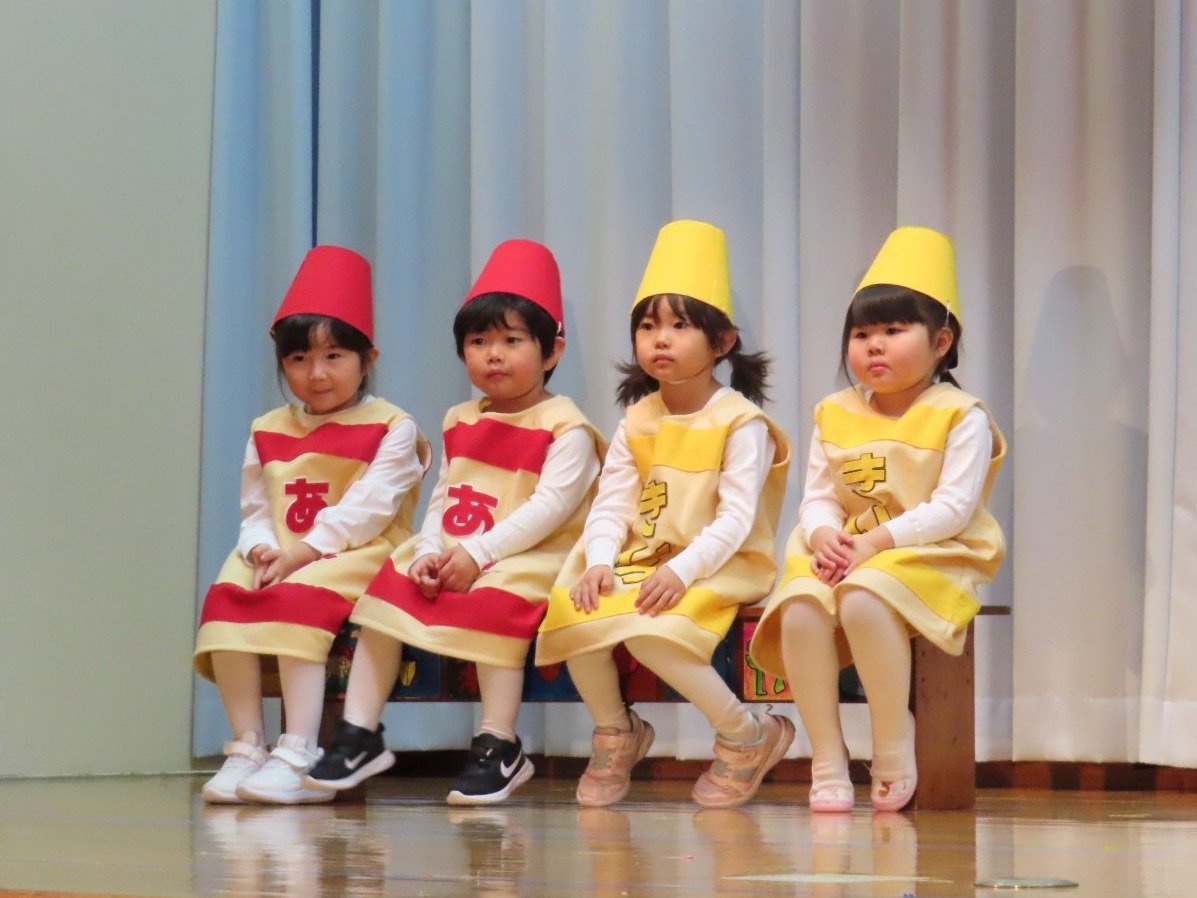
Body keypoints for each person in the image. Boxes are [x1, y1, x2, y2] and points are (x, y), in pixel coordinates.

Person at [306, 239, 604, 805]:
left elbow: (550, 508)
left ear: (552, 351)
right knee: (386, 593)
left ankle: (498, 742)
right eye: (478, 342)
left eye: (512, 341)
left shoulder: (566, 426)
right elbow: (444, 494)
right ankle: (359, 732)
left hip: (530, 554)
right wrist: (429, 550)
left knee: (497, 599)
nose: (494, 355)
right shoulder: (459, 418)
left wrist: (479, 555)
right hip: (459, 547)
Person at [749, 226, 1007, 812]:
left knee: (864, 597)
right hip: (847, 547)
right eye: (862, 334)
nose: (874, 346)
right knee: (802, 606)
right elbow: (819, 496)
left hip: (933, 549)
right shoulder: (833, 412)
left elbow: (953, 508)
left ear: (941, 342)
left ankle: (892, 743)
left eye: (893, 331)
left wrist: (877, 543)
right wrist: (823, 533)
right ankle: (826, 757)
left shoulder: (959, 414)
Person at [537, 219, 793, 808]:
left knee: (653, 632)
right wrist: (600, 561)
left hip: (718, 562)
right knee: (576, 611)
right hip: (643, 559)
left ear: (722, 342)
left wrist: (682, 570)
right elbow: (612, 502)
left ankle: (745, 735)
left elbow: (735, 519)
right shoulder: (638, 419)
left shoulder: (741, 422)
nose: (661, 339)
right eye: (648, 326)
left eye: (680, 326)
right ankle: (617, 731)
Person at [195, 245, 430, 804]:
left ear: (367, 359)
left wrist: (303, 552)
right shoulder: (267, 428)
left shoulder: (392, 426)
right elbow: (256, 508)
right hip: (283, 549)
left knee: (297, 594)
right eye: (299, 358)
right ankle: (247, 747)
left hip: (359, 553)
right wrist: (259, 548)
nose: (317, 373)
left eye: (334, 356)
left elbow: (369, 508)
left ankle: (298, 750)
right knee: (228, 593)